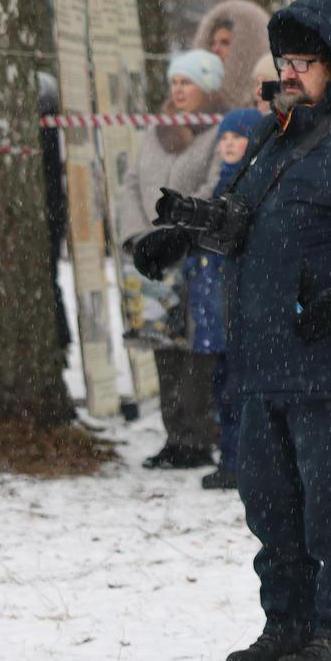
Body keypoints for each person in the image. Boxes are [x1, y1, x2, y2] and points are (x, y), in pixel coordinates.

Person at [134, 0, 331, 661]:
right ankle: (288, 625)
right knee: (269, 504)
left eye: (305, 62)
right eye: (285, 60)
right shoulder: (277, 134)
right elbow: (239, 215)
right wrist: (180, 236)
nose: (290, 72)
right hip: (265, 353)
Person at [115, 49, 227, 472]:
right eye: (175, 82)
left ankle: (196, 435)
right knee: (161, 344)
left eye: (188, 82)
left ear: (209, 87)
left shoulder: (219, 132)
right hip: (150, 258)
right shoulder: (156, 131)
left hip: (192, 255)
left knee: (196, 348)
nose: (178, 90)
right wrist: (140, 238)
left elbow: (213, 186)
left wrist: (176, 235)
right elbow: (130, 183)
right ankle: (173, 433)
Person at [192, 107, 268, 493]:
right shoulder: (217, 187)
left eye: (236, 138)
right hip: (217, 304)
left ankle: (243, 460)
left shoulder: (252, 187)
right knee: (223, 387)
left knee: (242, 389)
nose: (228, 144)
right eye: (223, 138)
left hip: (241, 306)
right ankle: (230, 457)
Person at [195, 0, 272, 109]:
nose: (216, 49)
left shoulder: (262, 94)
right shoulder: (200, 95)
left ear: (245, 47)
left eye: (225, 43)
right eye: (213, 43)